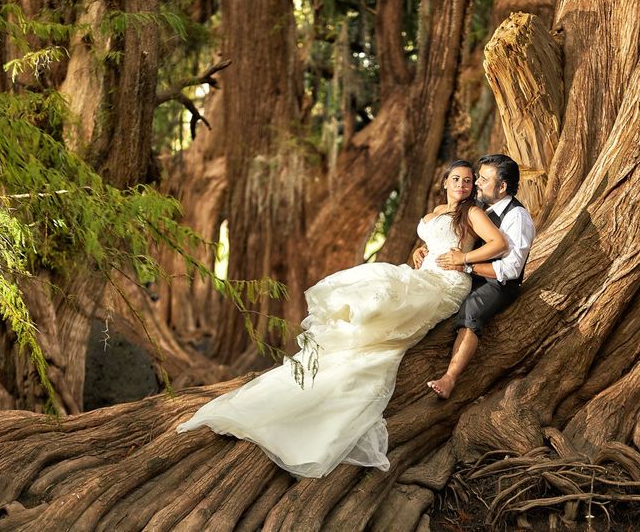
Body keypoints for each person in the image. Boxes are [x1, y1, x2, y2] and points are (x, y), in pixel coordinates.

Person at [176, 160, 508, 478]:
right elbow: (433, 243)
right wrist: (420, 252)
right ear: (445, 182)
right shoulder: (437, 212)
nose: (463, 185)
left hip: (447, 284)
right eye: (457, 179)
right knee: (382, 291)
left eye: (468, 180)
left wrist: (464, 258)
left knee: (387, 303)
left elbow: (499, 243)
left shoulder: (474, 213)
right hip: (425, 273)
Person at [418, 154, 535, 399]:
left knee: (471, 310)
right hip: (469, 273)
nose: (477, 184)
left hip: (499, 282)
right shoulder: (479, 206)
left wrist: (466, 266)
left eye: (483, 179)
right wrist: (425, 250)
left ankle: (450, 378)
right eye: (478, 178)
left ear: (502, 187)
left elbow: (511, 270)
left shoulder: (517, 217)